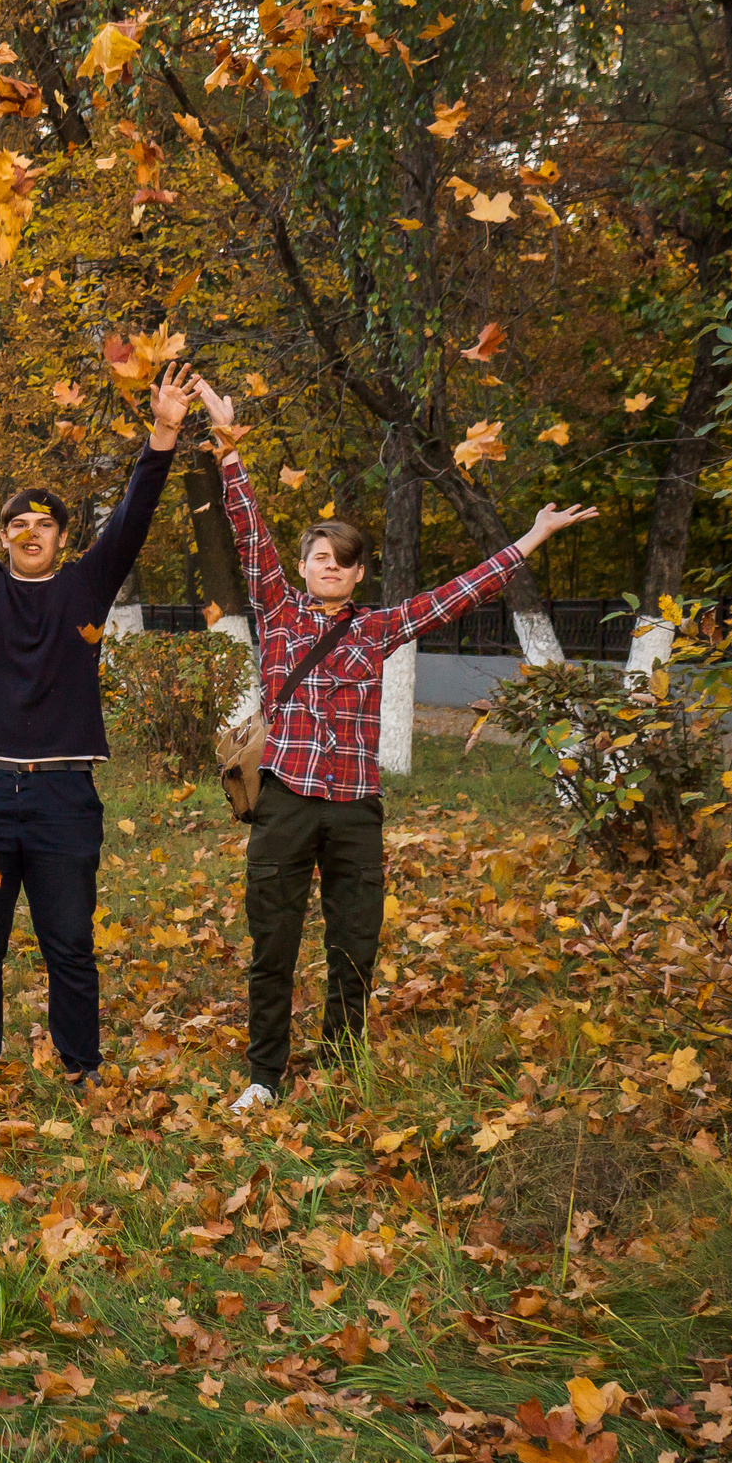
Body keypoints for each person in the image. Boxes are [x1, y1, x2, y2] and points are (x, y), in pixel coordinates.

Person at [195, 379, 598, 1115]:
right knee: (273, 941)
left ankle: (344, 1060)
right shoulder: (279, 614)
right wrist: (229, 451)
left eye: (341, 561)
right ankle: (264, 1073)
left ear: (355, 574)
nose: (327, 566)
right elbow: (250, 534)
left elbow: (458, 594)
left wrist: (532, 538)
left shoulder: (377, 628)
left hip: (355, 810)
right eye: (318, 555)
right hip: (283, 798)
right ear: (307, 563)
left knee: (355, 941)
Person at [0, 367, 193, 1089]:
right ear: (3, 537)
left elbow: (132, 516)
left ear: (63, 537)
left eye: (44, 524)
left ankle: (81, 1065)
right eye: (18, 525)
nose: (30, 533)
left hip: (64, 797)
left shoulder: (86, 586)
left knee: (68, 942)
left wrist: (162, 435)